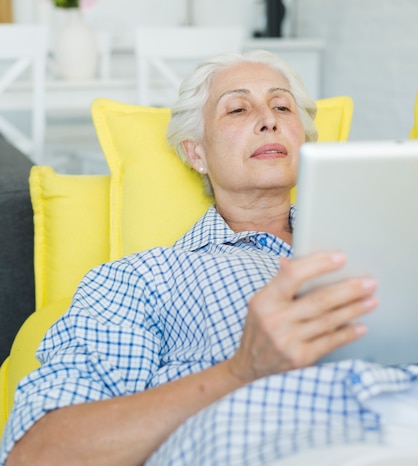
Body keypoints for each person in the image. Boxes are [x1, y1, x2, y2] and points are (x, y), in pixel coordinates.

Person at [2, 50, 417, 466]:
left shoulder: (390, 246)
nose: (268, 119)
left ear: (303, 141)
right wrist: (241, 370)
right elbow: (34, 456)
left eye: (282, 106)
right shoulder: (143, 278)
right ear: (196, 153)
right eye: (237, 108)